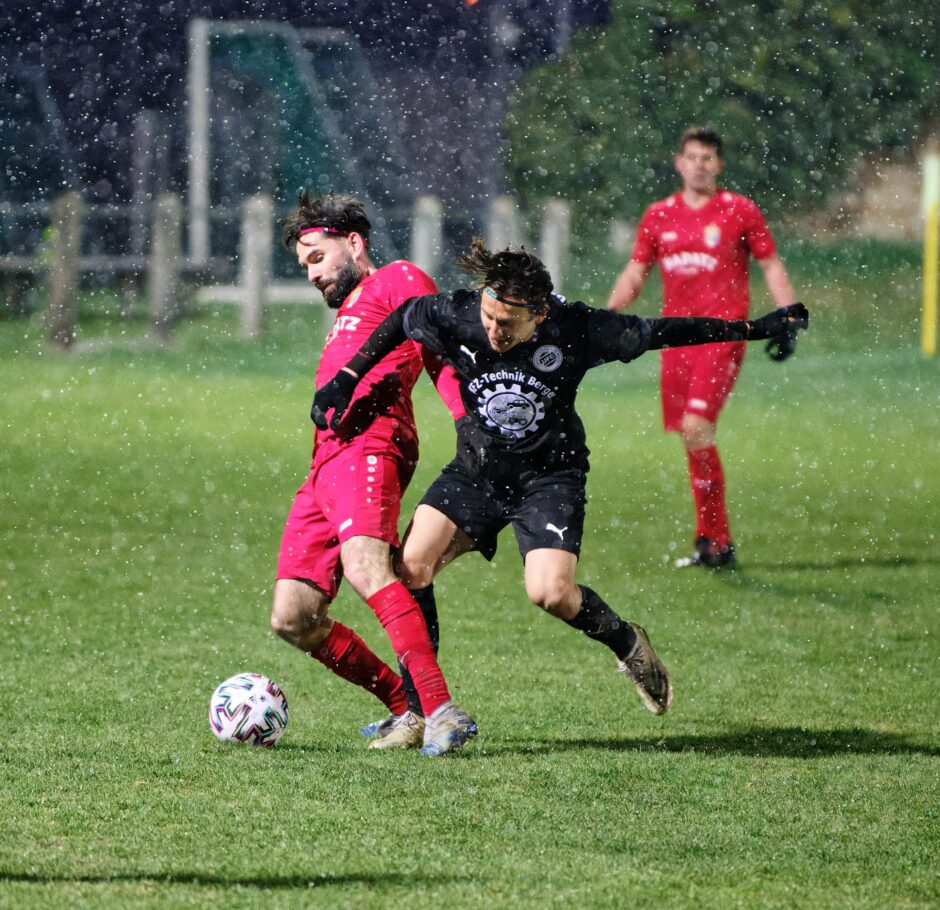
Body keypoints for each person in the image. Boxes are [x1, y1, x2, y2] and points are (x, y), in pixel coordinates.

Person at [312, 238, 809, 746]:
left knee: (549, 593)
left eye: (507, 324)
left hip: (549, 478)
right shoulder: (460, 312)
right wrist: (346, 380)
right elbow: (403, 318)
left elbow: (666, 332)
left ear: (539, 314)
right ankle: (422, 711)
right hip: (477, 470)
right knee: (410, 567)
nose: (493, 331)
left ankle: (626, 640)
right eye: (488, 317)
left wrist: (756, 328)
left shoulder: (578, 328)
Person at [270, 190, 476, 757]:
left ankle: (440, 710)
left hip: (372, 445)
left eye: (316, 257)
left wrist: (468, 427)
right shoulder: (350, 310)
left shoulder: (399, 279)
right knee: (293, 617)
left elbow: (442, 354)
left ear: (353, 242)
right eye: (303, 265)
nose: (311, 274)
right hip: (322, 466)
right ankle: (401, 705)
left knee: (367, 569)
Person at [606, 126, 802, 569]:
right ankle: (712, 539)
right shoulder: (658, 215)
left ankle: (717, 540)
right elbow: (635, 273)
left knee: (697, 428)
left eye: (708, 158)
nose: (699, 164)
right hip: (676, 342)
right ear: (679, 163)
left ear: (719, 165)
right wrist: (603, 316)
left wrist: (788, 314)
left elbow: (771, 265)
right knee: (692, 440)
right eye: (692, 157)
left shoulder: (738, 211)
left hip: (723, 336)